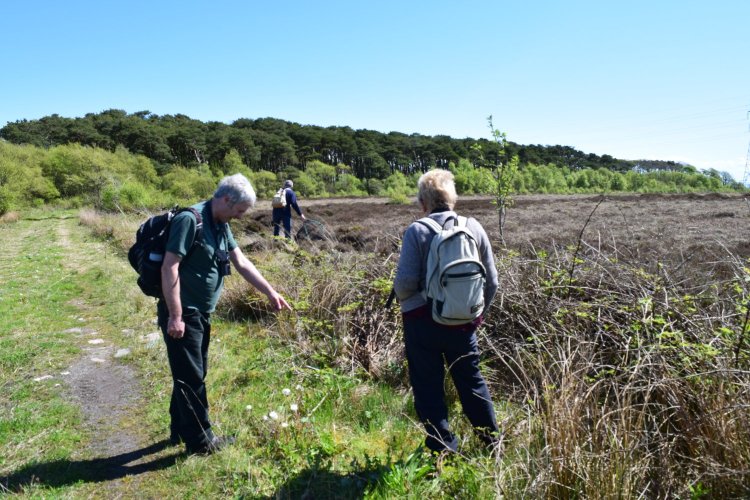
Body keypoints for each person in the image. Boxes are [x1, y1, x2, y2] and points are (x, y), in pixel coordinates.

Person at [159, 173, 292, 455]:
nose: (241, 216)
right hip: (184, 312)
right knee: (193, 377)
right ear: (226, 200)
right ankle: (201, 442)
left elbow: (240, 261)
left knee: (189, 372)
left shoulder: (221, 222)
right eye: (240, 210)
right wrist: (175, 315)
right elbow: (169, 266)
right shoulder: (190, 219)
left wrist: (270, 292)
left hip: (201, 312)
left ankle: (180, 430)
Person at [393, 169, 500, 454]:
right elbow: (492, 281)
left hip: (421, 323)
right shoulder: (474, 227)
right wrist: (476, 315)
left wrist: (412, 299)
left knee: (428, 386)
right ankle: (492, 445)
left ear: (422, 202)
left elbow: (404, 285)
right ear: (452, 198)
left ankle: (443, 450)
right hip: (463, 323)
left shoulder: (417, 230)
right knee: (472, 382)